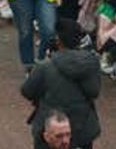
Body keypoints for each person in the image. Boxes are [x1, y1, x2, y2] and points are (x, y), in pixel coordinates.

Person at [21, 19, 101, 149]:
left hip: (51, 130)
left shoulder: (45, 66)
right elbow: (94, 92)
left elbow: (27, 91)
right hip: (83, 129)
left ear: (58, 39)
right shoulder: (90, 63)